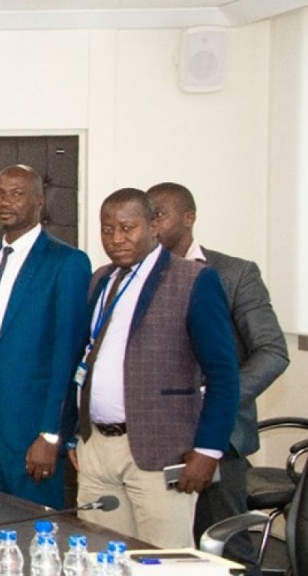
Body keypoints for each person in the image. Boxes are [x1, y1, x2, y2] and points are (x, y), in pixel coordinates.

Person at [73, 188, 238, 548]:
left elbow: (224, 374)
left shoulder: (193, 280)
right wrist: (73, 432)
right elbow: (85, 356)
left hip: (161, 451)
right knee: (102, 559)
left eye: (127, 227)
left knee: (163, 562)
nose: (116, 238)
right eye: (107, 229)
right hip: (97, 448)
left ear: (153, 227)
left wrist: (209, 450)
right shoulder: (101, 279)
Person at [147, 182, 287, 557]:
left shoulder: (234, 273)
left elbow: (273, 350)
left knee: (222, 547)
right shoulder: (135, 277)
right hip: (152, 438)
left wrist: (215, 400)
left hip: (217, 438)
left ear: (189, 217)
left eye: (159, 212)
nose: (152, 222)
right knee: (160, 550)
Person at [0, 165, 92, 509]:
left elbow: (67, 355)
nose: (5, 201)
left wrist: (52, 433)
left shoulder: (66, 262)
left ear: (40, 201)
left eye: (17, 193)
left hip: (30, 424)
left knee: (31, 529)